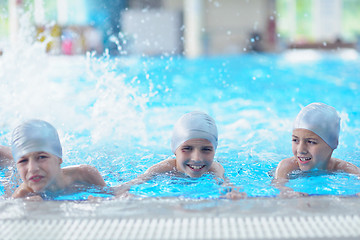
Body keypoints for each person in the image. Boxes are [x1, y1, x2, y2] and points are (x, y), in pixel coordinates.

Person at [114, 111, 246, 199]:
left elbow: (226, 185)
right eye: (187, 148)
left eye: (206, 149)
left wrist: (232, 193)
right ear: (174, 150)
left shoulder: (215, 168)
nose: (197, 158)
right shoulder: (164, 168)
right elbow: (134, 182)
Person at [273, 102, 360, 197]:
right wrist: (286, 191)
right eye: (295, 140)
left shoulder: (343, 167)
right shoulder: (287, 166)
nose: (300, 150)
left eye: (311, 142)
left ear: (333, 143)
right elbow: (279, 184)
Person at [11, 119, 107, 199]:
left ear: (59, 158)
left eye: (41, 157)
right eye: (23, 161)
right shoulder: (22, 195)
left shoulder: (85, 174)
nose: (32, 168)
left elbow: (115, 196)